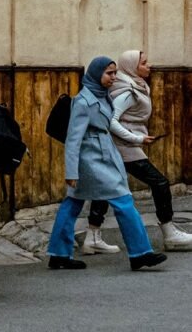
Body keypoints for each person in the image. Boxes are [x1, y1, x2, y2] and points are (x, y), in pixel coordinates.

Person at [45, 56, 167, 272]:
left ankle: (59, 253)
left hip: (100, 154)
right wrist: (71, 171)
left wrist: (135, 138)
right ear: (96, 74)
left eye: (114, 73)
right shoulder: (84, 101)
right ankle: (140, 253)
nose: (113, 77)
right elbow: (73, 139)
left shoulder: (100, 96)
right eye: (109, 73)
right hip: (92, 159)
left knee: (73, 203)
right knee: (123, 200)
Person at [84, 49, 192, 252]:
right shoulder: (128, 92)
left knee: (106, 189)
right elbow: (111, 121)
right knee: (160, 182)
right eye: (143, 63)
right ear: (133, 67)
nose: (148, 66)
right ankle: (169, 233)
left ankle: (92, 236)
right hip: (125, 147)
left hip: (124, 146)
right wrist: (137, 138)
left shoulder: (135, 86)